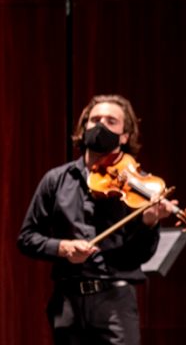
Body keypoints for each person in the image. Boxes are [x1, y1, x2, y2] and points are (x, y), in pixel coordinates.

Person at [17, 94, 176, 345]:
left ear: (125, 135)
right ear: (83, 128)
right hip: (67, 301)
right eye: (95, 120)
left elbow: (139, 256)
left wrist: (148, 223)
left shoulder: (138, 185)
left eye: (111, 121)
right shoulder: (56, 180)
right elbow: (26, 238)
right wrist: (62, 247)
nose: (101, 126)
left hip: (115, 301)